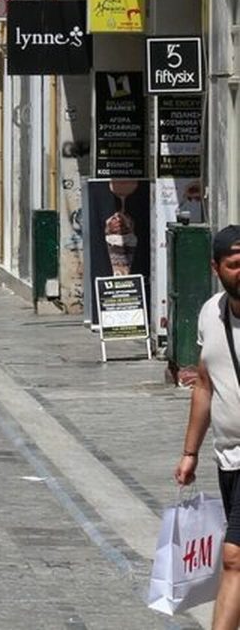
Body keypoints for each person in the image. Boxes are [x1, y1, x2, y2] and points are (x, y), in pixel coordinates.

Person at [174, 225, 240, 629]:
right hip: (227, 457)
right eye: (234, 264)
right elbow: (204, 384)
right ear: (216, 268)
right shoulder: (210, 313)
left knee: (233, 557)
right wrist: (190, 452)